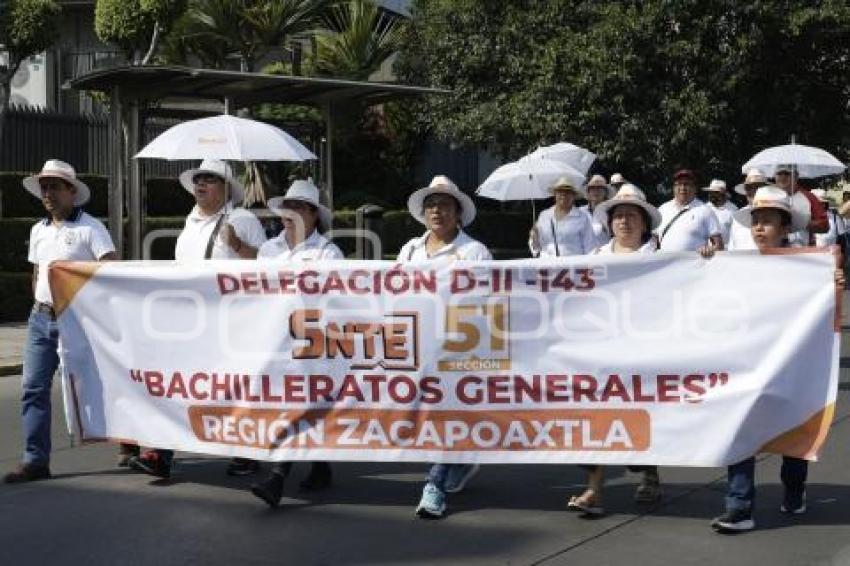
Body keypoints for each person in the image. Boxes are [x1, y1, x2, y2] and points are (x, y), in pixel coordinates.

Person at [707, 185, 844, 533]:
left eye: (768, 221)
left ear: (785, 227)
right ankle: (739, 508)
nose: (759, 228)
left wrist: (833, 282)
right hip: (747, 366)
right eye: (756, 221)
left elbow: (825, 301)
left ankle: (794, 492)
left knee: (794, 434)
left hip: (792, 367)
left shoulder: (807, 266)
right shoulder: (735, 264)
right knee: (740, 429)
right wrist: (704, 264)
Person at [127, 158, 267, 479]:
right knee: (176, 385)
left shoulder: (242, 218)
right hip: (190, 320)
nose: (201, 184)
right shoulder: (190, 223)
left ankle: (246, 451)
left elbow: (267, 267)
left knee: (232, 387)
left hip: (232, 321)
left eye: (210, 179)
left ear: (226, 188)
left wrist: (238, 246)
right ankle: (160, 452)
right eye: (199, 179)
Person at [4, 160, 117, 483]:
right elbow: (37, 272)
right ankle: (35, 460)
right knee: (33, 387)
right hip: (41, 317)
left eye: (55, 186)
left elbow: (110, 270)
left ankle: (133, 444)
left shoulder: (91, 228)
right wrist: (40, 303)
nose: (48, 193)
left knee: (104, 382)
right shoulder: (37, 230)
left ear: (72, 191)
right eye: (44, 187)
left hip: (79, 320)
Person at [564, 184, 663, 516]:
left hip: (642, 351)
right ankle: (593, 490)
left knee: (643, 414)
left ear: (644, 223)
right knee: (593, 418)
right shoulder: (593, 259)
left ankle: (649, 474)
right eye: (618, 216)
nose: (624, 222)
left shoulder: (661, 259)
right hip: (600, 352)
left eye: (631, 216)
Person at [250, 179, 344, 507]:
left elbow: (337, 299)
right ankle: (320, 467)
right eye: (288, 207)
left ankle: (278, 475)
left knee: (299, 403)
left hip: (310, 342)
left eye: (300, 207)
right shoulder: (268, 250)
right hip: (274, 340)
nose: (291, 213)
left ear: (314, 216)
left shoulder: (329, 252)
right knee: (289, 404)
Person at [402, 175, 491, 519]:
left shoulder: (474, 251)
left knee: (448, 412)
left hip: (458, 345)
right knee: (427, 414)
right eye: (431, 205)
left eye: (444, 205)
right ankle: (461, 456)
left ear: (458, 212)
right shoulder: (410, 249)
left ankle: (434, 485)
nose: (437, 211)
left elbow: (483, 301)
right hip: (417, 344)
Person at [656, 169, 723, 253]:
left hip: (694, 265)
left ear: (695, 188)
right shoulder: (663, 209)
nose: (683, 188)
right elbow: (653, 239)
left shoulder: (705, 210)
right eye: (679, 184)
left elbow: (719, 245)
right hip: (666, 264)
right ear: (673, 187)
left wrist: (709, 250)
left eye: (687, 184)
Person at [529, 176, 596, 257]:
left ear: (574, 196)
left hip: (573, 267)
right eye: (560, 191)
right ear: (555, 194)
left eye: (568, 191)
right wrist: (533, 238)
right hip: (547, 266)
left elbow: (591, 248)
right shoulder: (544, 215)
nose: (563, 194)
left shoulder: (582, 217)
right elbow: (536, 248)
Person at [771, 163, 826, 246]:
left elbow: (824, 226)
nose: (783, 177)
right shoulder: (768, 196)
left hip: (802, 252)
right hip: (774, 252)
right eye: (779, 174)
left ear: (796, 176)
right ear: (775, 176)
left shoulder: (809, 197)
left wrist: (801, 221)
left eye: (787, 173)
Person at [728, 168, 767, 251]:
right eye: (748, 187)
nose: (753, 191)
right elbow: (732, 246)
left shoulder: (777, 212)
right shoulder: (738, 215)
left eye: (757, 187)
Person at [702, 179, 737, 246]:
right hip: (707, 251)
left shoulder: (733, 210)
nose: (711, 195)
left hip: (727, 251)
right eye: (710, 192)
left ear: (723, 194)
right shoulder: (704, 208)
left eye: (715, 192)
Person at [580, 174, 613, 246]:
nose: (596, 191)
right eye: (592, 188)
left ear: (605, 192)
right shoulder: (580, 212)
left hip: (605, 254)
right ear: (588, 192)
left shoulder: (611, 211)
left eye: (600, 188)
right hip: (584, 254)